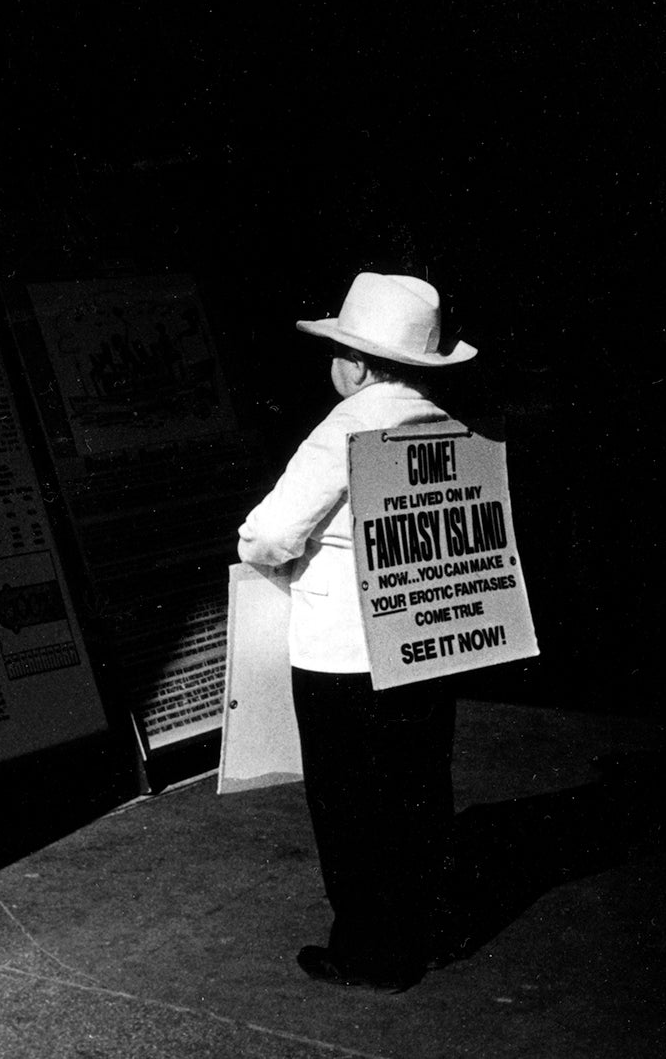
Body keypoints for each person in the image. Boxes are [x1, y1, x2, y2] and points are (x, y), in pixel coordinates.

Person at [236, 272, 476, 991]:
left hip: (343, 652)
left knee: (350, 809)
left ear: (360, 362)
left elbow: (271, 531)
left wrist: (261, 552)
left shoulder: (344, 426)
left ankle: (371, 950)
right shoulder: (447, 421)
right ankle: (424, 930)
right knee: (418, 791)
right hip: (427, 640)